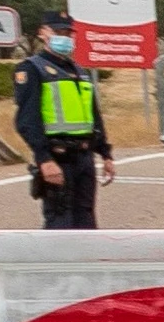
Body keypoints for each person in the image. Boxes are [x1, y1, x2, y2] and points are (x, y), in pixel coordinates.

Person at [16, 21, 111, 232]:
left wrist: (105, 153)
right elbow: (27, 121)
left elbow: (93, 116)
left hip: (84, 157)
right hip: (58, 157)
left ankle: (85, 264)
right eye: (58, 32)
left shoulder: (79, 71)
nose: (65, 37)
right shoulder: (32, 68)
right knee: (60, 220)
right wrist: (44, 159)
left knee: (86, 219)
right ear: (42, 33)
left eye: (68, 33)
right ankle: (56, 265)